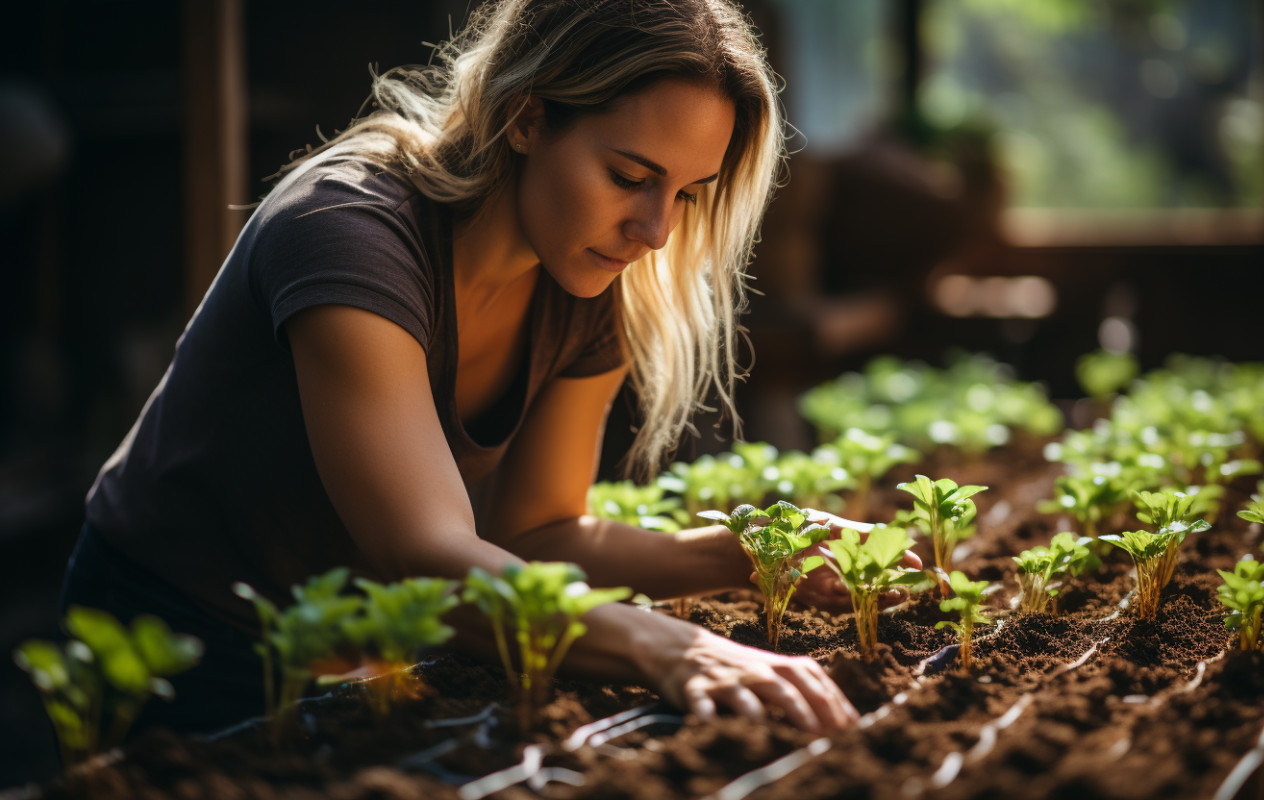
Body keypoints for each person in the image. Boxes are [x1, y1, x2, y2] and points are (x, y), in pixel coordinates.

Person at [60, 0, 886, 740]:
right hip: (170, 632)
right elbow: (425, 553)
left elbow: (536, 534)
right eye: (630, 178)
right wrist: (673, 647)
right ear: (526, 118)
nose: (656, 231)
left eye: (688, 194)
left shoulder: (587, 276)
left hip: (345, 652)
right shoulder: (347, 231)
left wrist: (744, 554)